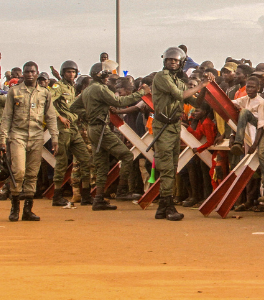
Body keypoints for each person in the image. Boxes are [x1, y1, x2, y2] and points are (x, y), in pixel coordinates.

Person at [71, 63, 150, 211]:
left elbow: (73, 107)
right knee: (127, 156)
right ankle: (122, 190)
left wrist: (88, 116)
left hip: (92, 128)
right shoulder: (100, 89)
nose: (108, 78)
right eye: (105, 75)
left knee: (101, 165)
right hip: (101, 129)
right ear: (98, 75)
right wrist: (142, 93)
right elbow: (120, 102)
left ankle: (99, 198)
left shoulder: (88, 90)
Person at [152, 47, 210, 220]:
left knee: (172, 165)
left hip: (174, 126)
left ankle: (163, 207)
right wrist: (201, 85)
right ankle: (168, 206)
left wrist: (205, 87)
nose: (172, 62)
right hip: (163, 125)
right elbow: (179, 95)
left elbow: (196, 102)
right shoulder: (162, 77)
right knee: (167, 167)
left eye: (176, 60)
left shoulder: (178, 80)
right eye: (170, 60)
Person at [0, 62, 58, 222]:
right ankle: (14, 207)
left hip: (37, 136)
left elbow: (51, 116)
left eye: (32, 71)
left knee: (32, 174)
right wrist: (2, 138)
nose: (30, 74)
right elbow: (7, 116)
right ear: (22, 74)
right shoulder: (14, 91)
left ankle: (28, 210)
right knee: (18, 172)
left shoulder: (45, 93)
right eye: (27, 72)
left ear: (37, 73)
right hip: (17, 135)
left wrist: (55, 137)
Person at [49, 61, 92, 207]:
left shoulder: (72, 88)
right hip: (63, 129)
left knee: (86, 159)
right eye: (68, 72)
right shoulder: (58, 87)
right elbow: (47, 101)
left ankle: (86, 194)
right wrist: (59, 116)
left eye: (73, 72)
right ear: (63, 73)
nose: (71, 74)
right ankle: (57, 195)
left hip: (74, 128)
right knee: (61, 162)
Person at [229, 75, 264, 210]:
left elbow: (262, 126)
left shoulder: (261, 102)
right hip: (253, 130)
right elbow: (232, 103)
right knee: (243, 112)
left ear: (258, 88)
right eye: (248, 87)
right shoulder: (246, 99)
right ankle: (238, 142)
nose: (249, 89)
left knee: (261, 153)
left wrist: (254, 144)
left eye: (253, 87)